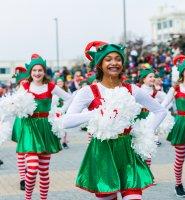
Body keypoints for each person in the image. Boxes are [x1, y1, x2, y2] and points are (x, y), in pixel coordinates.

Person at [59, 41, 167, 200]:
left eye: (118, 59)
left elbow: (160, 111)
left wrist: (144, 133)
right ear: (100, 64)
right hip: (103, 153)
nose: (114, 62)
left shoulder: (131, 89)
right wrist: (96, 114)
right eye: (108, 59)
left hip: (128, 151)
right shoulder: (88, 92)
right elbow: (65, 122)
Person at [16, 54, 71, 200]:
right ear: (30, 72)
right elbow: (17, 103)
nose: (37, 73)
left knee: (44, 170)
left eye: (40, 70)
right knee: (32, 168)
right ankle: (28, 197)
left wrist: (59, 112)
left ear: (44, 71)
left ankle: (43, 198)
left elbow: (69, 98)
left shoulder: (51, 86)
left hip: (45, 127)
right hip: (30, 128)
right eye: (34, 70)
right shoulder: (25, 86)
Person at [162, 56, 185, 200]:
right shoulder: (175, 88)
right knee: (180, 158)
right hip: (181, 124)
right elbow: (163, 105)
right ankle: (178, 184)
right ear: (182, 72)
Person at [12, 65, 29, 190]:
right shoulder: (16, 95)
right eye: (21, 83)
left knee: (29, 152)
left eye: (25, 82)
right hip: (20, 123)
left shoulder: (34, 90)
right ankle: (23, 178)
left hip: (32, 124)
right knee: (21, 152)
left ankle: (27, 174)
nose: (24, 84)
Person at [52, 77, 70, 149]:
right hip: (56, 111)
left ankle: (64, 142)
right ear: (56, 83)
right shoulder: (54, 91)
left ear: (63, 83)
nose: (60, 83)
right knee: (56, 126)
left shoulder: (67, 90)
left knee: (64, 126)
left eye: (61, 82)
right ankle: (56, 142)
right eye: (58, 82)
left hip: (64, 111)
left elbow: (70, 100)